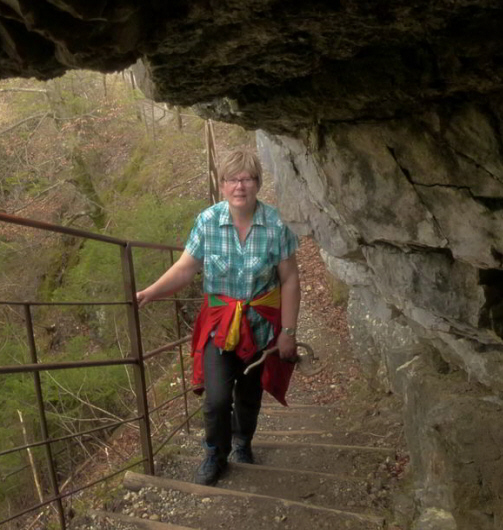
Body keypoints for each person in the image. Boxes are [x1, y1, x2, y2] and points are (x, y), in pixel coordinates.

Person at [136, 149, 301, 486]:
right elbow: (186, 267)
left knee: (249, 395)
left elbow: (290, 279)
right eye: (232, 179)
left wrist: (288, 331)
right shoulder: (208, 221)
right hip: (219, 326)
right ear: (221, 184)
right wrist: (151, 291)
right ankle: (215, 452)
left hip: (259, 326)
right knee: (216, 399)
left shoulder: (276, 225)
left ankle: (243, 442)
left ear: (257, 182)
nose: (240, 186)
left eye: (247, 178)